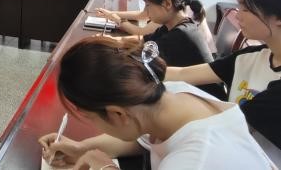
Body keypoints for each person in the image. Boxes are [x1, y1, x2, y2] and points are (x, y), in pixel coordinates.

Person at [39, 37, 274, 169]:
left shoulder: (194, 161)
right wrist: (82, 148)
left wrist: (106, 167)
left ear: (117, 114)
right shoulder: (169, 95)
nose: (93, 125)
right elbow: (141, 139)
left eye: (90, 118)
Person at [166, 0, 281, 166]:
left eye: (246, 8)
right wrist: (138, 70)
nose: (237, 14)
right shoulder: (249, 58)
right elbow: (183, 74)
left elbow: (223, 122)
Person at [137, 0, 224, 99]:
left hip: (206, 101)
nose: (146, 11)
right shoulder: (175, 25)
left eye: (148, 5)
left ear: (167, 4)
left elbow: (143, 61)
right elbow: (143, 42)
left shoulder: (180, 34)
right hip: (191, 95)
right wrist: (116, 42)